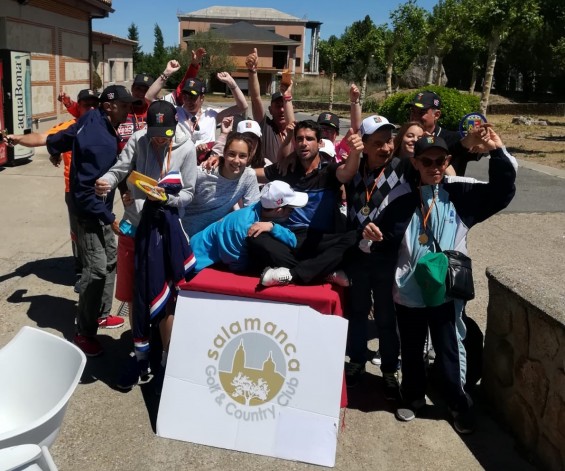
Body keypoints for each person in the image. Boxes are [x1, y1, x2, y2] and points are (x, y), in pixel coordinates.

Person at [368, 129, 516, 433]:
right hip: (409, 289)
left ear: (447, 160)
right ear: (417, 163)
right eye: (427, 161)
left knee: (450, 345)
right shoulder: (399, 199)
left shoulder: (462, 193)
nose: (434, 167)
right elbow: (378, 240)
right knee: (410, 347)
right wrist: (370, 238)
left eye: (440, 161)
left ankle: (459, 403)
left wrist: (497, 151)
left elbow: (503, 192)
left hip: (446, 289)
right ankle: (411, 397)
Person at [96, 100, 197, 388]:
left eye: (164, 134)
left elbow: (189, 192)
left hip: (165, 232)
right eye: (154, 132)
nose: (157, 139)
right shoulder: (139, 140)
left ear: (174, 127)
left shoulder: (186, 148)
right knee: (133, 296)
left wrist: (168, 199)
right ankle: (141, 356)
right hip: (135, 229)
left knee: (165, 299)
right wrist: (106, 181)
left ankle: (167, 359)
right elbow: (119, 168)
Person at [45, 85, 142, 356]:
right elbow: (85, 193)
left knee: (111, 258)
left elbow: (69, 133)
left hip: (99, 208)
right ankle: (83, 332)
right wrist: (109, 218)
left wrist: (54, 147)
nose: (129, 111)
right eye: (125, 106)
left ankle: (100, 313)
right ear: (109, 106)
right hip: (89, 214)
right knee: (96, 270)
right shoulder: (100, 141)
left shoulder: (94, 117)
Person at [6, 89, 100, 293]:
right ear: (79, 107)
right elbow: (42, 137)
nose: (91, 108)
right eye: (86, 104)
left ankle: (99, 271)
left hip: (101, 192)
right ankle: (80, 271)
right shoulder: (70, 127)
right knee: (78, 235)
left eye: (95, 104)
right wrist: (18, 139)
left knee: (100, 236)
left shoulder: (107, 125)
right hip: (74, 192)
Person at [250, 120, 361, 287]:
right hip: (290, 238)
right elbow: (253, 174)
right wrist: (222, 163)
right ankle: (321, 271)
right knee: (255, 237)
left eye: (309, 139)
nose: (304, 143)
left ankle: (291, 273)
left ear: (319, 142)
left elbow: (347, 173)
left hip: (320, 240)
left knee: (355, 238)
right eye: (299, 139)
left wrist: (355, 152)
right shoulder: (286, 168)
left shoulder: (329, 170)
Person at [190, 180, 307, 274]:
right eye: (291, 210)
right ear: (279, 210)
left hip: (216, 258)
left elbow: (293, 240)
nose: (293, 213)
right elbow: (237, 266)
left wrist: (273, 226)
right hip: (197, 263)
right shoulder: (241, 227)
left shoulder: (263, 210)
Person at [181, 132, 260, 237]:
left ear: (249, 157)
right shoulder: (202, 173)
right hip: (183, 233)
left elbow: (252, 211)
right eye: (232, 154)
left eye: (242, 156)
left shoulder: (249, 176)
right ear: (224, 153)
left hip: (209, 237)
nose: (236, 160)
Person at [407, 90, 482, 175]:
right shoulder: (407, 140)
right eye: (413, 111)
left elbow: (479, 149)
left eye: (421, 112)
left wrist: (480, 142)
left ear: (437, 115)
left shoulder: (455, 139)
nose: (415, 116)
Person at [246, 48, 295, 163]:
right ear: (270, 110)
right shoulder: (266, 127)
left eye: (284, 105)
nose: (282, 110)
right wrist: (252, 72)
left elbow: (291, 123)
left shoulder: (296, 132)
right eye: (278, 106)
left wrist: (287, 95)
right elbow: (256, 98)